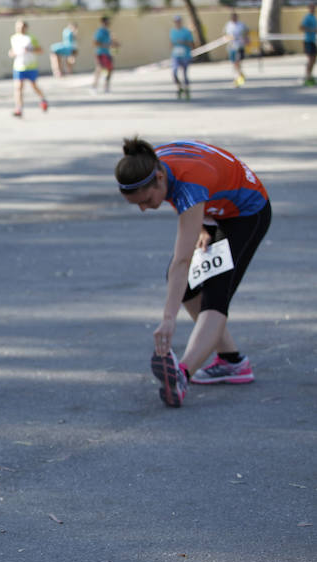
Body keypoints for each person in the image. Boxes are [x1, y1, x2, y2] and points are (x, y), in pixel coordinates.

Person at [115, 138, 271, 408]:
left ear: (159, 178)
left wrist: (168, 320)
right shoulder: (152, 164)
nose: (144, 208)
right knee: (186, 288)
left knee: (215, 292)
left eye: (147, 200)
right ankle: (232, 361)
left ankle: (182, 374)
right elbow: (184, 191)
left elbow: (182, 260)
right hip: (214, 209)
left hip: (248, 212)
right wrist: (201, 226)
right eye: (137, 204)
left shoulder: (190, 183)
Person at [9, 20, 48, 118]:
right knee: (18, 88)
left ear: (26, 27)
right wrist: (11, 53)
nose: (20, 29)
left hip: (31, 66)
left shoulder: (31, 38)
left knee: (34, 86)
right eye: (18, 27)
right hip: (18, 66)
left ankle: (43, 99)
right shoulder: (13, 38)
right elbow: (13, 51)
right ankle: (19, 109)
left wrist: (30, 49)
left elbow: (40, 50)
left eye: (22, 27)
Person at [92, 16, 119, 94]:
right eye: (107, 21)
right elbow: (95, 42)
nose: (109, 23)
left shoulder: (108, 32)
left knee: (110, 69)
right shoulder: (100, 31)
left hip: (108, 53)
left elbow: (111, 42)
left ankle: (106, 87)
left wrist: (115, 44)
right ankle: (94, 86)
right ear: (103, 22)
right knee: (99, 69)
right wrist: (107, 45)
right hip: (101, 53)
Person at [170, 15, 194, 100]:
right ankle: (179, 87)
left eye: (178, 21)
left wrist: (183, 42)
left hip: (185, 55)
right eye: (176, 21)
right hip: (176, 55)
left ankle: (187, 90)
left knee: (184, 74)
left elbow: (192, 44)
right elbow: (171, 43)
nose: (177, 23)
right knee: (174, 72)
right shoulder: (172, 31)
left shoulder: (186, 32)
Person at [224, 12, 250, 87]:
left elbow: (246, 32)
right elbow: (225, 34)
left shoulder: (241, 25)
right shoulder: (228, 25)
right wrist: (228, 38)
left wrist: (246, 39)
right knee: (234, 63)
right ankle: (240, 75)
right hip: (231, 46)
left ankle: (238, 79)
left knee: (237, 62)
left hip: (239, 46)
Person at [301, 3, 316, 86]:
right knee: (310, 60)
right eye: (312, 7)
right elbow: (302, 27)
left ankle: (310, 76)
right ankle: (307, 77)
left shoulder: (313, 17)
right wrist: (312, 30)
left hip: (313, 41)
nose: (313, 9)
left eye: (314, 7)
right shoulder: (307, 17)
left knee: (313, 60)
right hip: (308, 41)